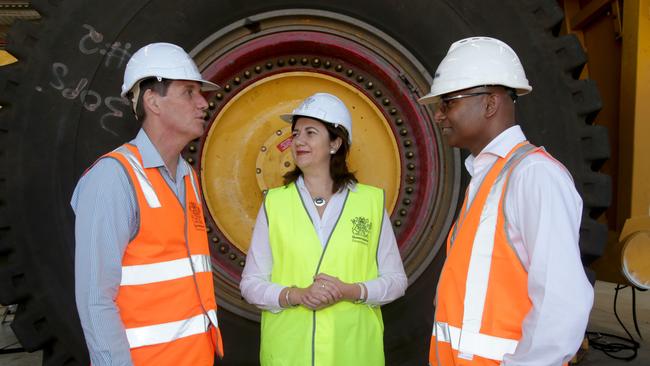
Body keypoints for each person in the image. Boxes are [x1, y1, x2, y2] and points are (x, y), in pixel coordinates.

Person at [418, 37, 593, 365]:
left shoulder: (535, 177)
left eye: (448, 103)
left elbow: (561, 307)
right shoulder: (488, 178)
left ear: (489, 104)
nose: (439, 116)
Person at [72, 42, 224, 366]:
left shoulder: (187, 177)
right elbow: (95, 300)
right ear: (153, 101)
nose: (203, 103)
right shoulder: (112, 180)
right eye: (189, 92)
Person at [241, 92, 408, 365]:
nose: (299, 141)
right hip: (289, 355)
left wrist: (350, 291)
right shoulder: (275, 203)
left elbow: (396, 281)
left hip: (353, 354)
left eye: (310, 133)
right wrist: (295, 295)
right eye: (295, 134)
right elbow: (251, 284)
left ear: (335, 142)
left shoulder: (370, 202)